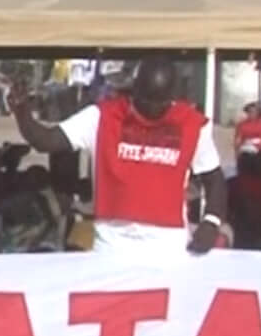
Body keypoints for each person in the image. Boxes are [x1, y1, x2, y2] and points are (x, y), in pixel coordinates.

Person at [13, 59, 226, 259]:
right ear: (135, 90)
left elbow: (214, 178)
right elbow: (47, 141)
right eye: (146, 100)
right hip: (111, 246)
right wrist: (23, 114)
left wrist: (211, 221)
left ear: (172, 98)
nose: (151, 109)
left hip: (168, 248)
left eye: (159, 102)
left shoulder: (192, 125)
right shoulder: (102, 116)